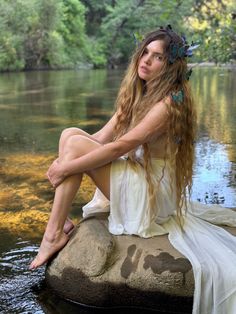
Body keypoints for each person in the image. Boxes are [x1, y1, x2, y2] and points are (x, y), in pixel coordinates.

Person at [29, 24, 197, 270]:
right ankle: (60, 223)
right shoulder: (139, 92)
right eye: (145, 52)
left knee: (74, 146)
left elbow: (120, 147)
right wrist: (65, 159)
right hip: (138, 175)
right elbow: (99, 139)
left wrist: (66, 168)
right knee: (70, 135)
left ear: (171, 66)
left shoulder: (169, 104)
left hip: (153, 195)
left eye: (158, 57)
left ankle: (53, 234)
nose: (146, 60)